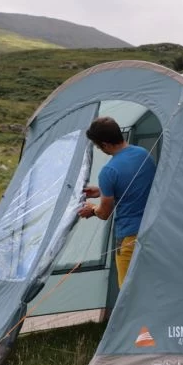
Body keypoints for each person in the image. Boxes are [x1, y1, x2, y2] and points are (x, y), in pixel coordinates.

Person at [77, 116, 156, 288]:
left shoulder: (108, 171)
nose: (99, 149)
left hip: (129, 237)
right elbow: (136, 185)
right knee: (151, 286)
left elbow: (104, 213)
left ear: (105, 144)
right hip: (154, 231)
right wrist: (102, 191)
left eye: (98, 146)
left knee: (129, 292)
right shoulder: (143, 154)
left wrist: (92, 209)